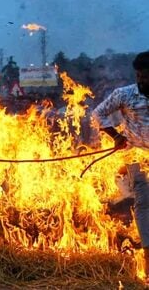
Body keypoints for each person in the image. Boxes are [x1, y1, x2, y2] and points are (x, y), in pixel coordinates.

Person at [92, 51, 149, 278]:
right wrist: (115, 136)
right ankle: (147, 257)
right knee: (145, 204)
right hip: (137, 159)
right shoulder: (125, 95)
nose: (142, 80)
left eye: (146, 76)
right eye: (139, 76)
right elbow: (98, 114)